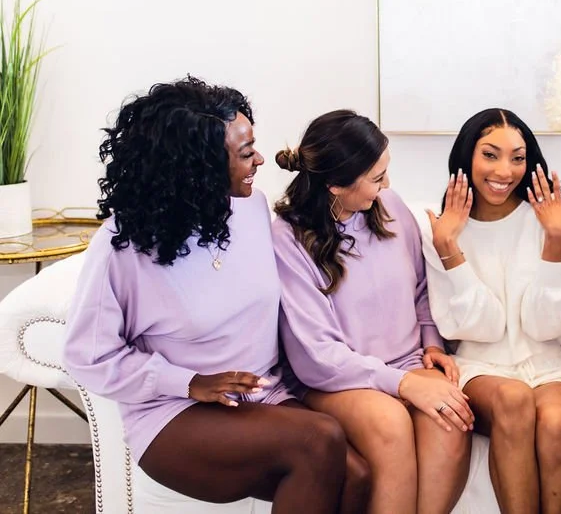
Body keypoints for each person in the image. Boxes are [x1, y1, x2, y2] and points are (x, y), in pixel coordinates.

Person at [63, 77, 366, 512]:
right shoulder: (124, 246)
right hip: (174, 413)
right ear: (199, 167)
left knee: (358, 478)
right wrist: (188, 383)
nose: (260, 159)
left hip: (264, 397)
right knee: (320, 439)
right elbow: (87, 355)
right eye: (245, 154)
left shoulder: (252, 207)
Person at [273, 109, 472, 514]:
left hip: (405, 363)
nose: (388, 185)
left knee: (451, 417)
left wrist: (432, 345)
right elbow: (317, 357)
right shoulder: (287, 239)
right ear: (335, 185)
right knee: (389, 422)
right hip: (337, 380)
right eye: (377, 178)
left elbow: (420, 289)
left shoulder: (390, 206)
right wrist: (403, 384)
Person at [423, 107, 561, 514]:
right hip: (480, 366)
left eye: (518, 157)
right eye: (490, 154)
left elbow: (549, 325)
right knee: (513, 399)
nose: (505, 170)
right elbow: (484, 328)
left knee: (556, 423)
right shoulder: (442, 230)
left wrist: (554, 240)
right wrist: (450, 252)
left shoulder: (555, 218)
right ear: (467, 157)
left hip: (549, 363)